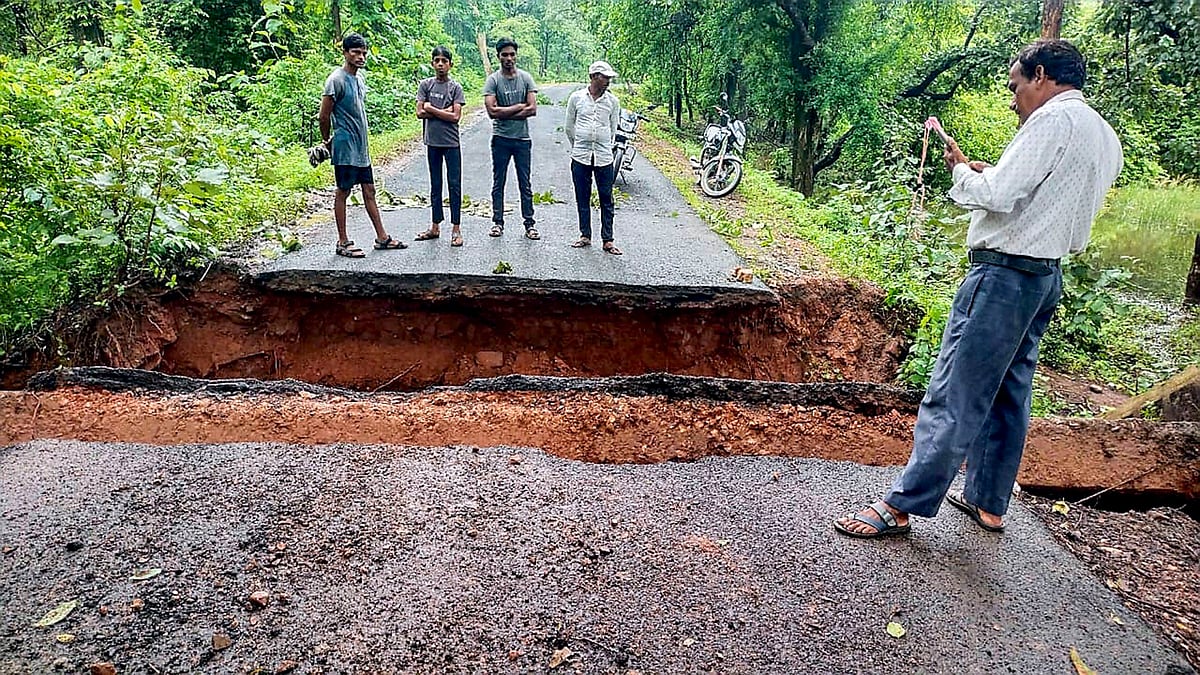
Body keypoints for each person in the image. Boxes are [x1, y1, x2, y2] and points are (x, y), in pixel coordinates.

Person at [834, 39, 1122, 539]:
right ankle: (989, 502)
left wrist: (964, 176)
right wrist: (989, 176)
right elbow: (1044, 197)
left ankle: (903, 503)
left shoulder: (1051, 121)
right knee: (1011, 391)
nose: (1013, 100)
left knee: (955, 390)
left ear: (1039, 75)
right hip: (1044, 277)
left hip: (1002, 277)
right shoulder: (1103, 134)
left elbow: (998, 196)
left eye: (1015, 87)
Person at [319, 32, 406, 257]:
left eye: (363, 53)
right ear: (345, 52)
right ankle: (342, 241)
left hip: (361, 148)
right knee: (343, 191)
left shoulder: (359, 79)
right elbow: (324, 115)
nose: (360, 57)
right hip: (345, 146)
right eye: (356, 52)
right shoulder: (335, 80)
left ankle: (382, 237)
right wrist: (326, 140)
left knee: (369, 190)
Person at [483, 38, 539, 240]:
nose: (509, 58)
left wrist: (504, 111)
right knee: (499, 182)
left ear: (516, 55)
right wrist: (517, 107)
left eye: (512, 54)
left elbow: (532, 109)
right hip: (500, 139)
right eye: (504, 54)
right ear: (498, 56)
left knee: (525, 183)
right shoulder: (493, 80)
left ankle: (529, 224)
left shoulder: (526, 78)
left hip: (522, 139)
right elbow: (491, 112)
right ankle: (497, 222)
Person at [565, 61, 623, 255]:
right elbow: (569, 127)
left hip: (604, 156)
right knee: (582, 196)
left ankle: (608, 239)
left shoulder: (612, 102)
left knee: (606, 197)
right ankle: (585, 235)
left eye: (609, 78)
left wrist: (603, 143)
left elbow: (613, 128)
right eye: (604, 77)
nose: (608, 81)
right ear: (593, 77)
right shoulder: (577, 98)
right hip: (580, 155)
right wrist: (579, 145)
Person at [415, 46, 466, 247]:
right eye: (437, 60)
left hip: (451, 143)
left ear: (450, 64)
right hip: (432, 142)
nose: (440, 64)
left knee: (454, 184)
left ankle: (456, 228)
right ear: (432, 63)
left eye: (444, 61)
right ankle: (435, 226)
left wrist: (431, 108)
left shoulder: (455, 88)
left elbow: (456, 116)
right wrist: (441, 111)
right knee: (435, 185)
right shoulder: (425, 85)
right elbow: (419, 112)